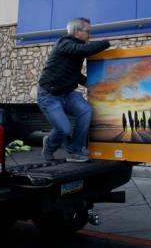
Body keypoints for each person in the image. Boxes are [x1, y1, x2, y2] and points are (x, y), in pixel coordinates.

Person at [38, 17, 110, 162]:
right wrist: (108, 43)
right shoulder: (64, 43)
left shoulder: (74, 50)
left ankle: (75, 149)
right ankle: (49, 145)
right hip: (49, 95)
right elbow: (83, 50)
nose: (90, 35)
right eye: (88, 31)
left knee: (86, 110)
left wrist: (93, 85)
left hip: (67, 93)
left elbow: (74, 74)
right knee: (64, 129)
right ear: (77, 31)